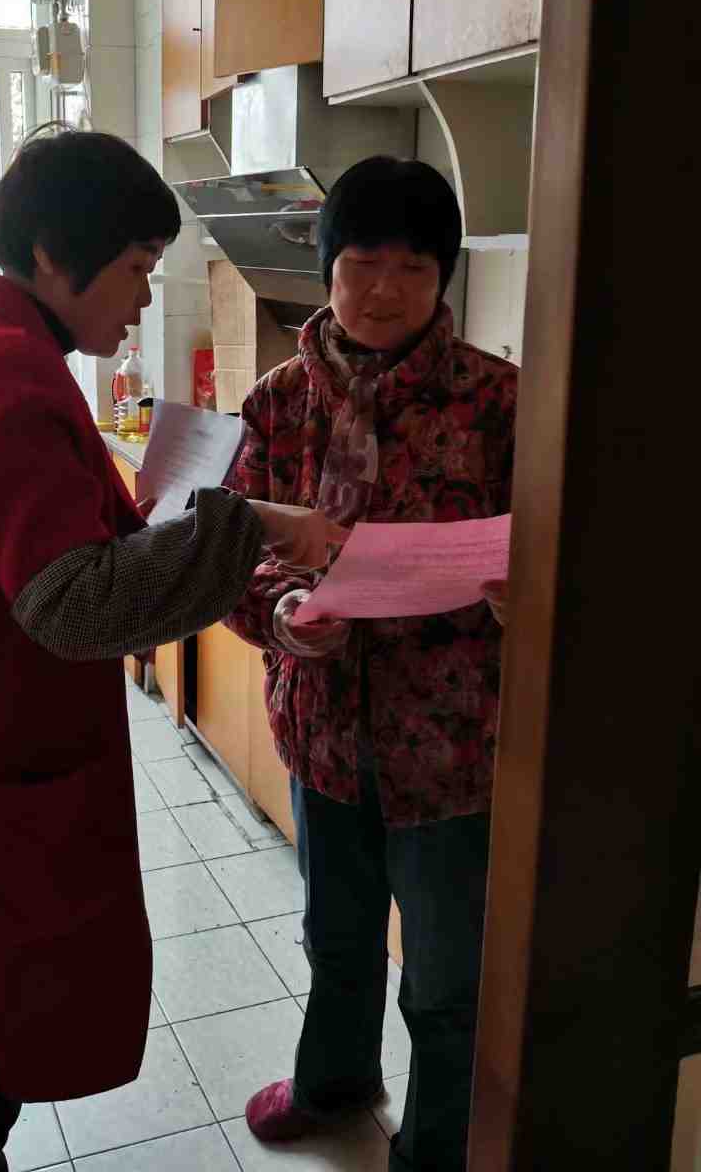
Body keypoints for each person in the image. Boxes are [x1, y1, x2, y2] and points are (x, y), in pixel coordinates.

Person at [0, 127, 340, 1172]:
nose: (142, 301)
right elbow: (73, 600)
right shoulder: (3, 372)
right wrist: (251, 523)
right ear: (49, 254)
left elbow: (53, 559)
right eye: (134, 268)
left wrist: (177, 527)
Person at [225, 155, 517, 1172]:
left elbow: (557, 556)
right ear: (327, 267)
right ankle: (334, 1085)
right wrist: (281, 612)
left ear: (444, 276)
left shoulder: (501, 402)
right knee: (336, 939)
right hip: (321, 733)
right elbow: (232, 553)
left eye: (411, 268)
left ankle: (434, 1151)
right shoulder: (276, 402)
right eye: (361, 264)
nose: (384, 291)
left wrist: (524, 594)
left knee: (446, 977)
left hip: (453, 748)